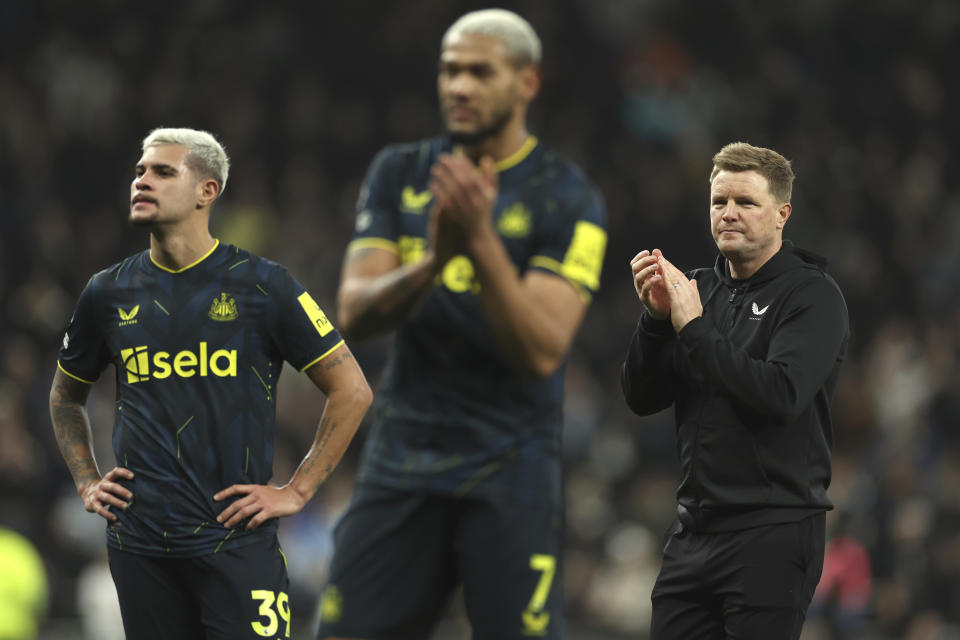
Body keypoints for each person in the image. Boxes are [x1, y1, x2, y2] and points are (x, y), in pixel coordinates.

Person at [316, 9, 607, 640]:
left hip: (510, 467)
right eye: (450, 71)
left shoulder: (569, 198)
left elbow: (541, 350)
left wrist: (479, 241)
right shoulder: (400, 171)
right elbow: (355, 313)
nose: (459, 87)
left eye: (480, 72)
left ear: (527, 83)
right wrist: (436, 261)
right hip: (403, 458)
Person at [49, 127, 372, 639]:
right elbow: (66, 396)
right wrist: (87, 479)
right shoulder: (106, 293)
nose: (142, 181)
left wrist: (298, 489)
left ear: (207, 191)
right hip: (141, 546)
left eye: (162, 171)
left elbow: (352, 390)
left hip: (236, 542)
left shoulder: (264, 286)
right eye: (139, 171)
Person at [621, 141, 849, 639]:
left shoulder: (811, 296)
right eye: (719, 202)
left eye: (746, 203)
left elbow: (781, 393)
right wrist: (657, 323)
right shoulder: (696, 290)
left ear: (782, 214)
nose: (729, 213)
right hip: (692, 532)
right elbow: (642, 399)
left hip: (772, 531)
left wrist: (694, 329)